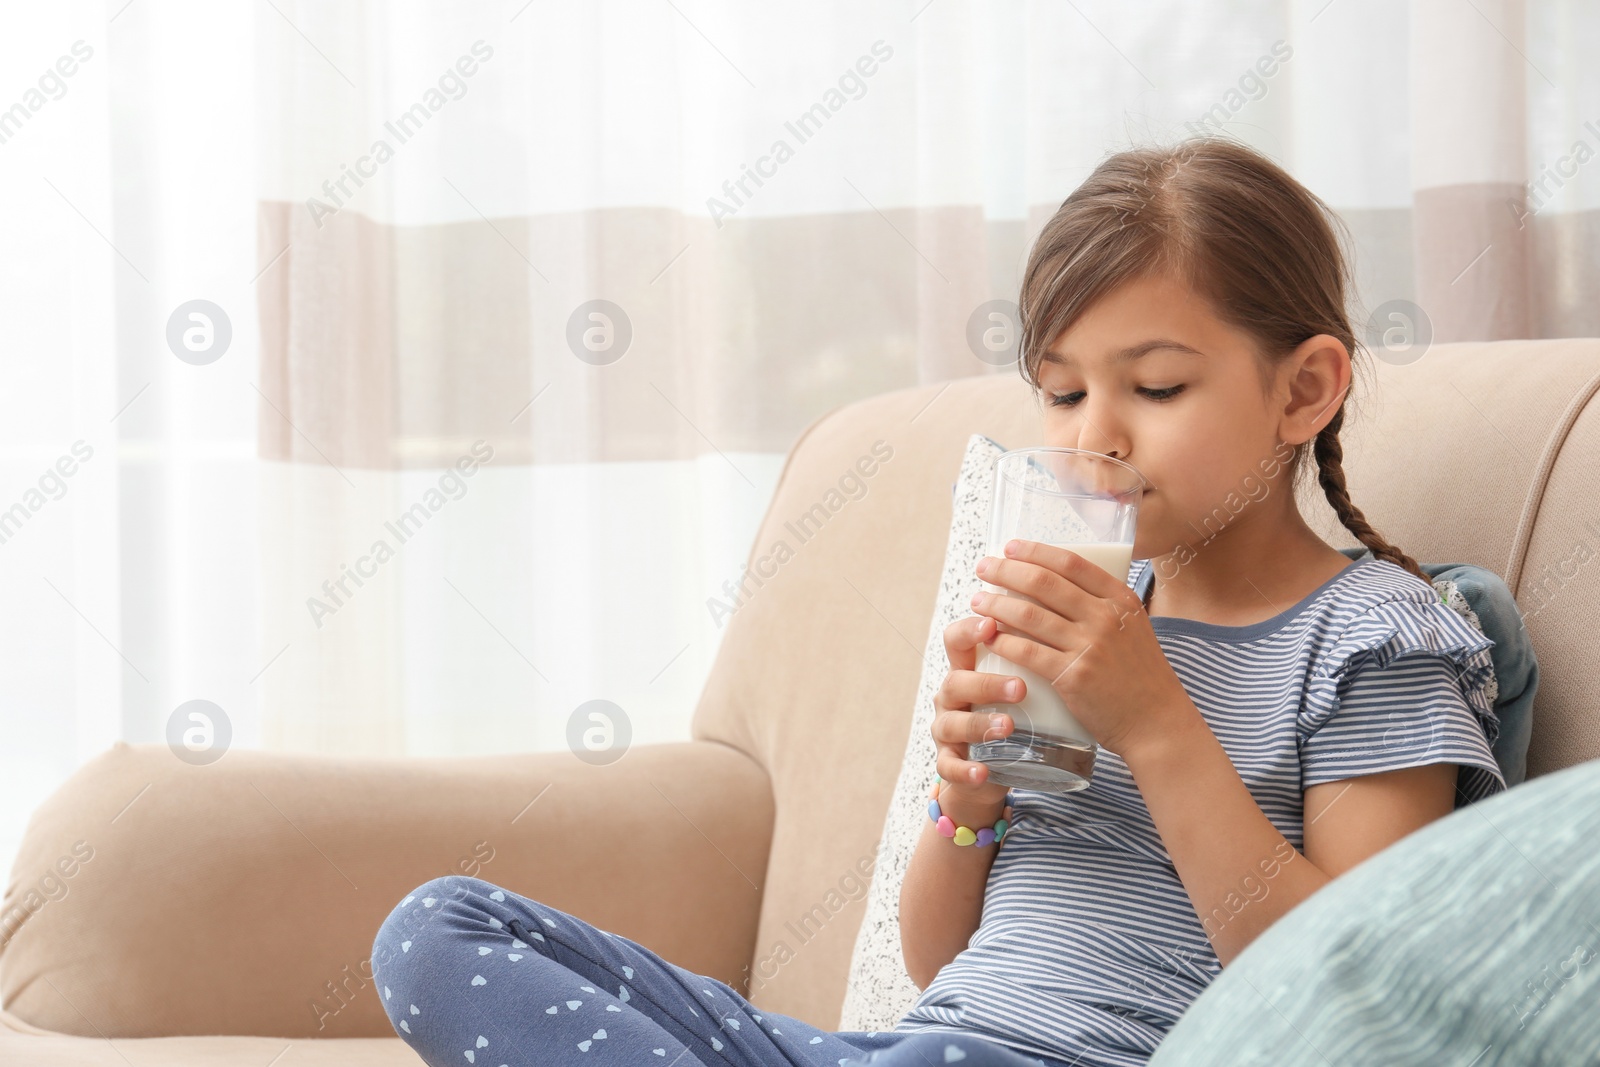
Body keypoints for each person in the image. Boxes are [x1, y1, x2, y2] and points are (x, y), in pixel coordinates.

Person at [369, 135, 1505, 1066]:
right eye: (1061, 391)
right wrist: (963, 795)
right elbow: (938, 958)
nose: (1093, 433)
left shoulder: (1375, 639)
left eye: (1154, 385)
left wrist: (1156, 723)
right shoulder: (1093, 611)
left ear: (1303, 387)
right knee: (437, 927)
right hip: (911, 1045)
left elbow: (1353, 998)